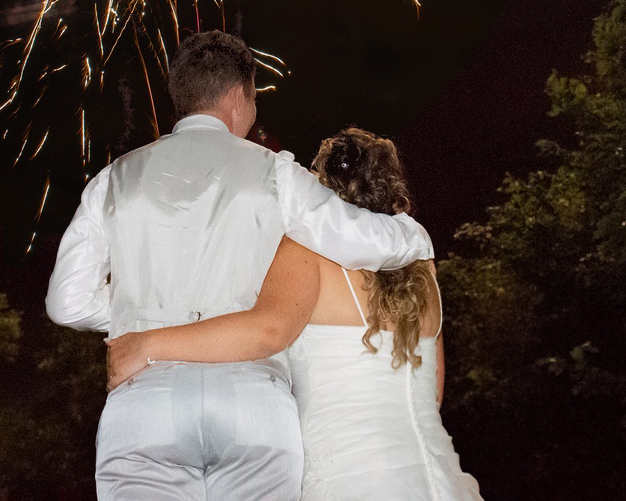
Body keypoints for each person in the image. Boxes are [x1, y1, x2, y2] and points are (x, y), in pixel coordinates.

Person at [45, 32, 435, 501]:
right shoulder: (277, 175)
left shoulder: (112, 180)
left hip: (145, 402)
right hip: (253, 403)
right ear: (237, 95)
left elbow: (66, 302)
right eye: (254, 99)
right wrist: (414, 235)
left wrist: (143, 306)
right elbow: (364, 242)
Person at [106, 128, 484, 501]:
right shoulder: (423, 268)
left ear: (321, 191)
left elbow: (266, 330)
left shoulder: (309, 250)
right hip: (443, 480)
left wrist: (146, 344)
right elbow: (433, 388)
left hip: (350, 482)